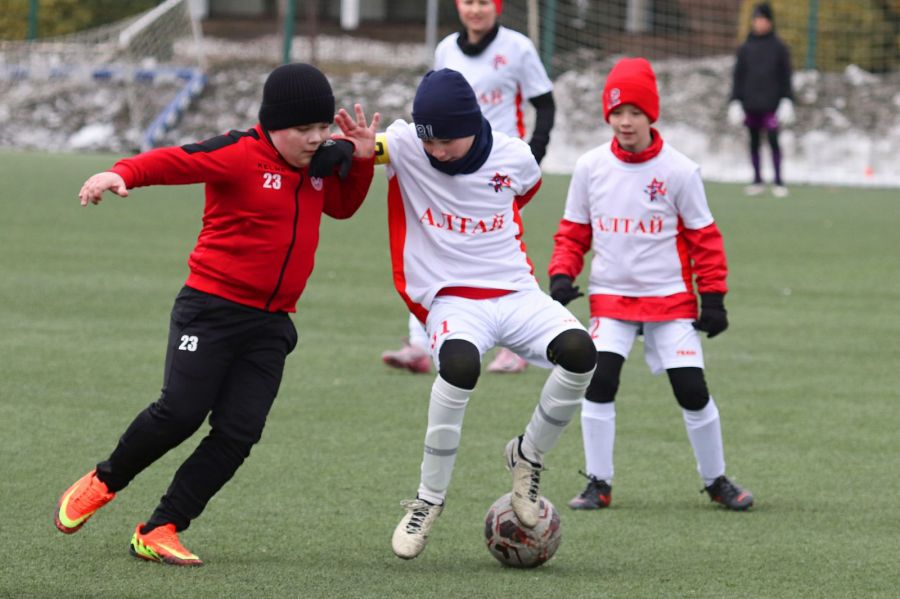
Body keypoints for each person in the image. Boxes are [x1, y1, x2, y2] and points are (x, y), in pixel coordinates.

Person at [54, 63, 380, 566]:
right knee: (180, 413)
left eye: (322, 128)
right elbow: (175, 161)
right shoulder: (238, 154)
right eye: (304, 130)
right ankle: (104, 480)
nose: (316, 139)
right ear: (272, 125)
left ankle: (161, 526)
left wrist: (357, 160)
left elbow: (341, 208)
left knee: (239, 432)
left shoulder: (317, 165)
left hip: (272, 324)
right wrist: (120, 173)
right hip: (210, 310)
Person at [345, 68, 595, 560]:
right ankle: (428, 500)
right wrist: (358, 147)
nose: (436, 151)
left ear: (473, 124)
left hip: (516, 291)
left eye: (447, 140)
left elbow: (518, 196)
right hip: (453, 299)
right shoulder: (403, 144)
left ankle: (527, 456)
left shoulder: (515, 157)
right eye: (428, 140)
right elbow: (369, 150)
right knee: (459, 367)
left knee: (582, 352)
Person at [549, 57, 754, 513]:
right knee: (599, 384)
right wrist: (562, 273)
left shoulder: (680, 170)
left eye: (635, 112)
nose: (625, 121)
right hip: (611, 300)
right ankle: (598, 485)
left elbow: (705, 239)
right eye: (617, 112)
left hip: (669, 302)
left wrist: (714, 298)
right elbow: (573, 231)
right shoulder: (590, 167)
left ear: (651, 115)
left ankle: (716, 480)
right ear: (608, 115)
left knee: (692, 390)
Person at [381, 0, 556, 374]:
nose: (475, 10)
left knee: (499, 251)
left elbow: (545, 103)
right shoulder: (445, 49)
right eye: (468, 2)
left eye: (483, 2)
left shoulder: (518, 47)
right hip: (445, 166)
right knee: (430, 246)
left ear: (497, 7)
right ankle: (421, 342)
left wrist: (533, 152)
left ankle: (517, 343)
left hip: (497, 175)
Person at [728, 1, 794, 198]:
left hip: (772, 104)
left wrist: (787, 99)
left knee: (773, 140)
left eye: (763, 19)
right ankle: (757, 179)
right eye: (756, 19)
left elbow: (786, 76)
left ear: (770, 22)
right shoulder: (745, 48)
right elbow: (738, 76)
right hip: (750, 104)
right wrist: (735, 100)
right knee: (753, 141)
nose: (759, 23)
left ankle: (778, 180)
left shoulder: (779, 48)